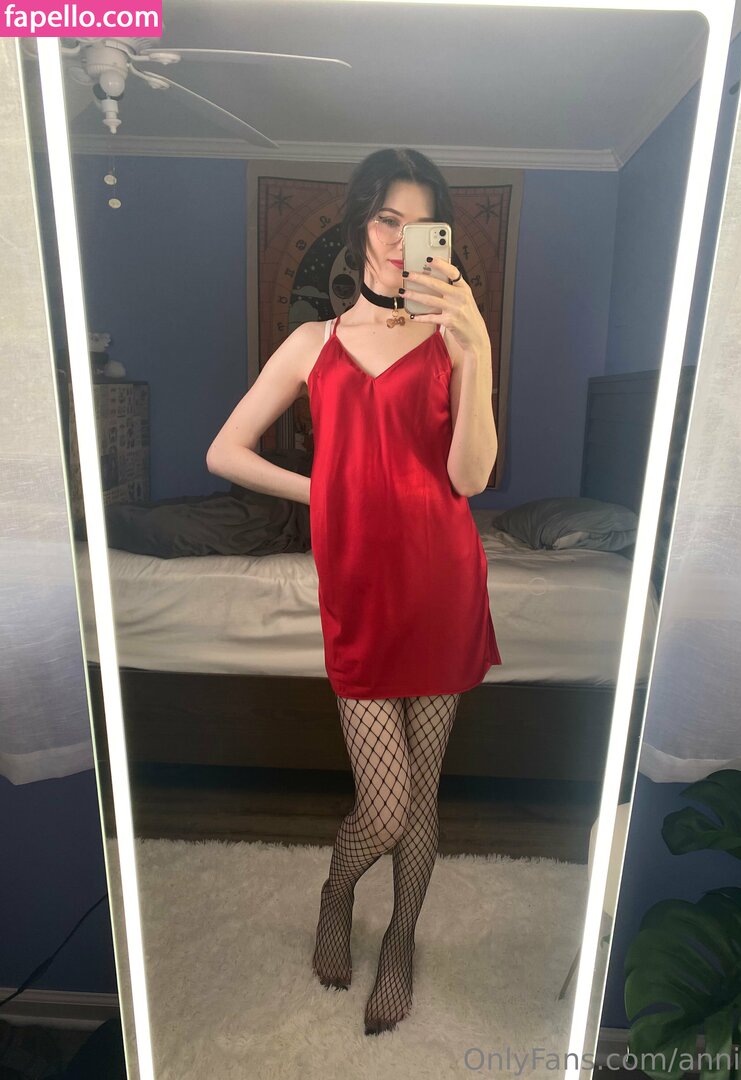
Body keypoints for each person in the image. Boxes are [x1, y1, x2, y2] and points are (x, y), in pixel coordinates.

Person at [207, 147, 502, 1035]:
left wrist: (478, 347)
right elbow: (225, 452)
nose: (401, 239)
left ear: (442, 236)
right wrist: (326, 490)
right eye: (386, 218)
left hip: (443, 582)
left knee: (423, 799)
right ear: (359, 224)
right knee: (384, 805)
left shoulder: (453, 340)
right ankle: (337, 892)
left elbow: (472, 477)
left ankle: (402, 937)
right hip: (361, 590)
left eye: (421, 223)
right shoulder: (315, 344)